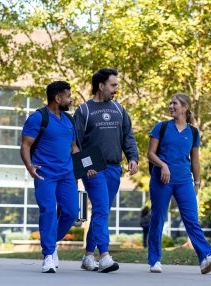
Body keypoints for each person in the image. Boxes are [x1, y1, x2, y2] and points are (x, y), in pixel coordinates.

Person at [20, 81, 93, 273]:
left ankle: (51, 243)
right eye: (68, 96)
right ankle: (48, 254)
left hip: (66, 174)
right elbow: (25, 145)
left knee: (71, 212)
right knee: (48, 211)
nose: (70, 99)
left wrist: (87, 167)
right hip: (45, 174)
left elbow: (74, 148)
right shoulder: (38, 118)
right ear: (57, 98)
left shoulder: (68, 120)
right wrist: (29, 167)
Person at [147, 92, 211, 274]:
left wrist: (197, 182)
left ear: (185, 108)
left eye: (175, 104)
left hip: (184, 181)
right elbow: (150, 154)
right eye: (170, 103)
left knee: (191, 219)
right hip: (161, 180)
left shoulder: (193, 132)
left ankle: (206, 257)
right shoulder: (161, 127)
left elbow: (195, 160)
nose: (171, 106)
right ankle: (155, 260)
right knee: (157, 218)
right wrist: (163, 165)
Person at [74, 68, 139, 273]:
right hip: (93, 168)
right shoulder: (84, 110)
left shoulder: (120, 110)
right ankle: (104, 256)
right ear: (101, 86)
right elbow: (75, 142)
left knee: (102, 211)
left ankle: (87, 257)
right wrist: (86, 166)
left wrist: (133, 158)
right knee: (101, 208)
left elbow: (128, 136)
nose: (116, 89)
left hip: (114, 168)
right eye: (113, 85)